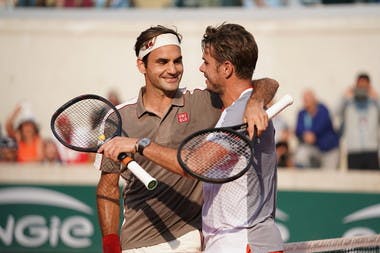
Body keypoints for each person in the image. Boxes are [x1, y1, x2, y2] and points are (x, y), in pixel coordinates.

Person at [98, 23, 281, 253]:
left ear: (224, 69)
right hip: (137, 244)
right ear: (141, 65)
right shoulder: (119, 118)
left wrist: (256, 100)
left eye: (178, 60)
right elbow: (107, 189)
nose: (174, 69)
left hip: (196, 241)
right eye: (162, 62)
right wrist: (110, 245)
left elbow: (259, 83)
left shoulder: (209, 102)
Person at [337, 73, 380, 170]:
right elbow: (335, 112)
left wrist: (377, 98)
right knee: (354, 181)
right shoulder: (349, 103)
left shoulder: (374, 103)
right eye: (360, 86)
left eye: (365, 87)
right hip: (353, 149)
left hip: (371, 149)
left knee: (373, 182)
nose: (362, 90)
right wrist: (344, 96)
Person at [294, 89, 340, 169]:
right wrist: (305, 135)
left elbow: (322, 124)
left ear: (314, 99)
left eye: (309, 99)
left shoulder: (323, 110)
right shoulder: (302, 113)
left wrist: (312, 134)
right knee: (301, 154)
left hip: (329, 149)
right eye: (305, 99)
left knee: (329, 176)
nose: (307, 101)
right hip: (313, 148)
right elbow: (298, 130)